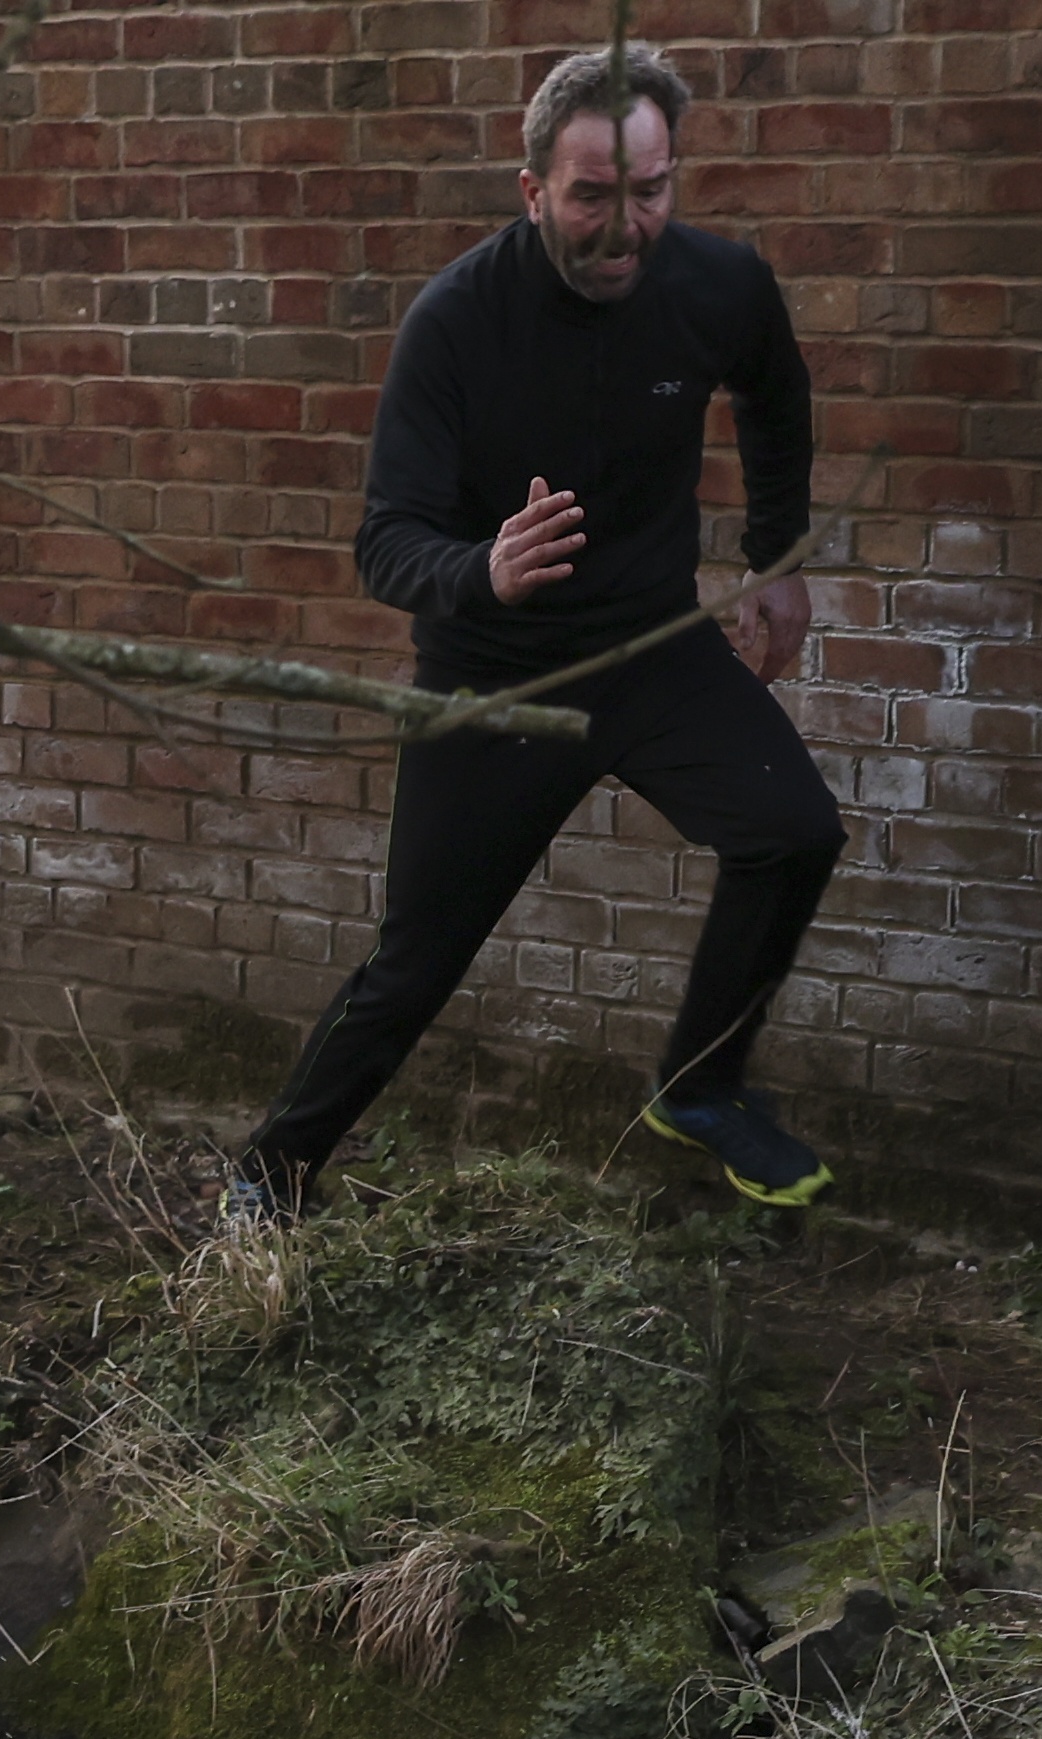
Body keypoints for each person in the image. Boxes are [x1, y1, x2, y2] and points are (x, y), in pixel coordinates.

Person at [234, 41, 840, 1218]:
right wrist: (484, 570)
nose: (625, 226)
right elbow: (384, 543)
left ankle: (700, 1087)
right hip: (496, 682)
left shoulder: (718, 285)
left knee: (792, 831)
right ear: (531, 192)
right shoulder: (454, 324)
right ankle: (267, 1179)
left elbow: (773, 393)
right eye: (592, 197)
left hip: (652, 653)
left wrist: (777, 561)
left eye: (650, 190)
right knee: (413, 964)